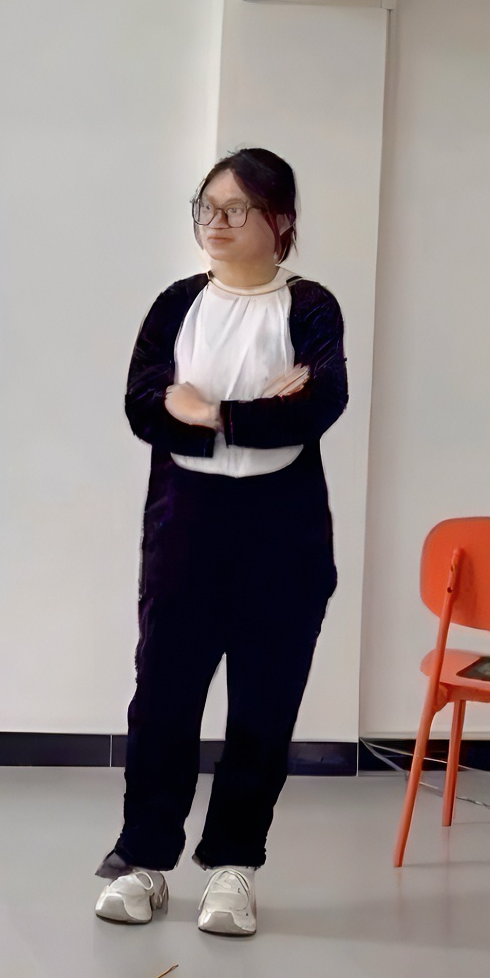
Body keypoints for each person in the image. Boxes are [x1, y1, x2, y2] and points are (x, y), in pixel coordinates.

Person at [94, 148, 346, 937]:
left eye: (237, 209)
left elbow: (319, 404)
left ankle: (235, 867)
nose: (217, 222)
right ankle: (144, 861)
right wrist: (246, 412)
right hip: (187, 524)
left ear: (282, 220)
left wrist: (210, 412)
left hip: (284, 532)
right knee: (163, 697)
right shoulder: (178, 303)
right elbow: (144, 405)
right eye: (207, 207)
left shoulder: (309, 306)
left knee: (265, 702)